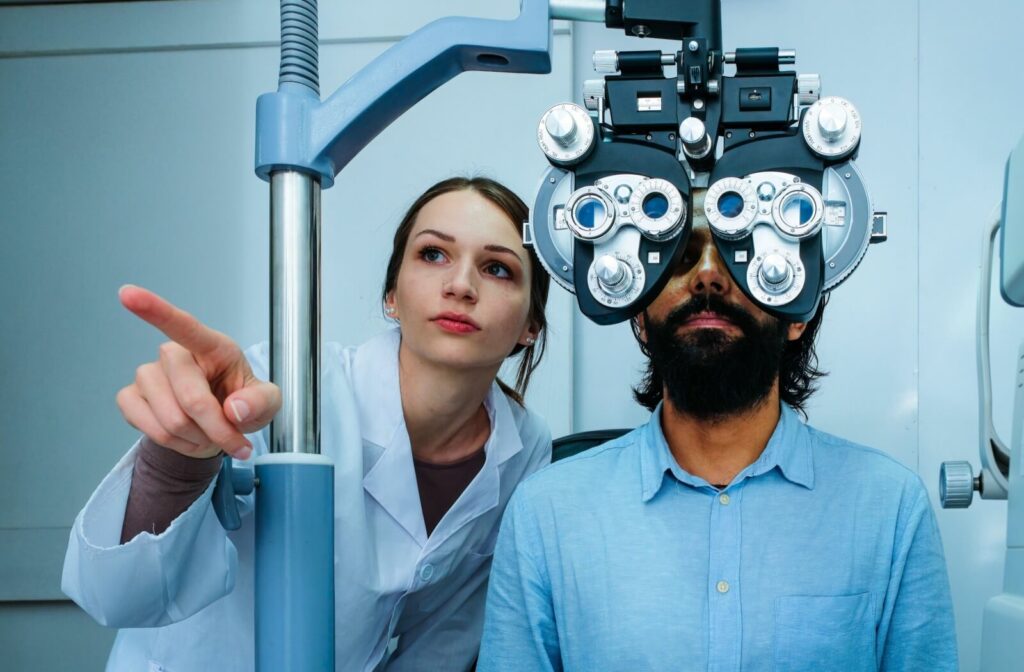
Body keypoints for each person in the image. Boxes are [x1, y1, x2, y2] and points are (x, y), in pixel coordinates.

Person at [62, 176, 552, 671]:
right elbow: (114, 595)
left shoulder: (524, 448)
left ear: (531, 324)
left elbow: (445, 636)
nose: (460, 286)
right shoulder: (280, 389)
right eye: (433, 255)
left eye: (496, 268)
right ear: (392, 297)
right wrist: (175, 462)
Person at [478, 193, 958, 671]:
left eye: (743, 249)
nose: (708, 274)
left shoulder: (891, 509)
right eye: (682, 255)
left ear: (797, 311)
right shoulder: (546, 514)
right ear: (640, 313)